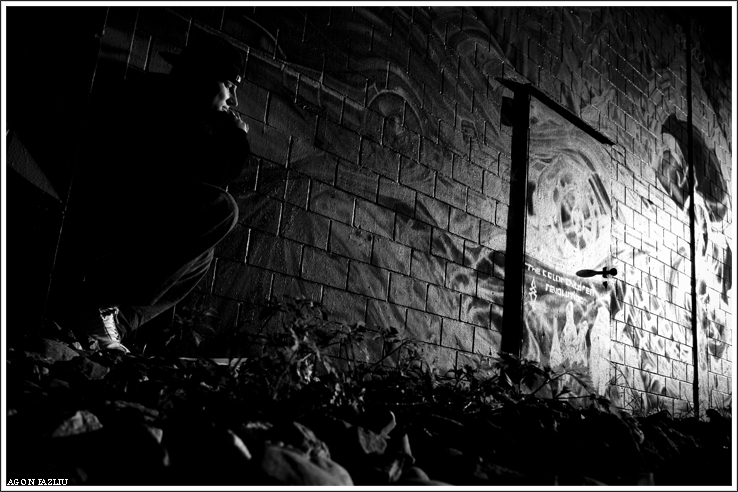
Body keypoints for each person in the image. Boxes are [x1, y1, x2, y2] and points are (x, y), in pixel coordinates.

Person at [50, 32, 250, 353]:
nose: (234, 100)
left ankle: (111, 324)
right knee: (221, 209)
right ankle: (96, 305)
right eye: (229, 85)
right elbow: (210, 182)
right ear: (201, 77)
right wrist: (236, 138)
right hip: (96, 229)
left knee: (203, 255)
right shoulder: (159, 103)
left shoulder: (186, 112)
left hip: (123, 227)